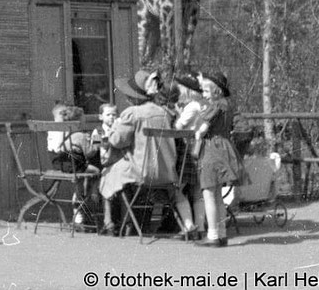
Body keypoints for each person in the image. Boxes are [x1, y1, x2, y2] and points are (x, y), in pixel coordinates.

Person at [98, 70, 180, 236]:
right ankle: (129, 222)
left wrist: (116, 126)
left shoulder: (133, 113)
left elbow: (117, 141)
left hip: (142, 172)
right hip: (167, 172)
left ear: (134, 96)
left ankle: (112, 222)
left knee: (108, 172)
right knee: (120, 171)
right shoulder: (163, 112)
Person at [193, 71, 245, 248]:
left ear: (215, 91)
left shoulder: (214, 106)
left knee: (208, 193)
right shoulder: (227, 105)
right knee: (218, 196)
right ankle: (222, 234)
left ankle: (213, 235)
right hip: (225, 147)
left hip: (211, 149)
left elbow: (201, 130)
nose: (204, 95)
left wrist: (197, 131)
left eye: (206, 92)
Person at [174, 72, 207, 238]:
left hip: (188, 149)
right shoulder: (203, 104)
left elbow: (177, 127)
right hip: (200, 148)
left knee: (178, 189)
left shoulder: (192, 107)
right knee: (197, 191)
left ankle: (189, 225)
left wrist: (177, 113)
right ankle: (200, 227)